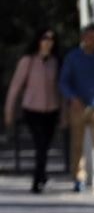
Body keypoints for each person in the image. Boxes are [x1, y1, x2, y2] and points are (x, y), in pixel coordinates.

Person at [59, 24, 94, 193]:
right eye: (91, 37)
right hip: (78, 107)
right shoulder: (73, 58)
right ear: (84, 38)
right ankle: (79, 178)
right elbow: (63, 82)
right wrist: (72, 98)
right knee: (77, 145)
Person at [5, 28, 61, 193]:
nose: (47, 42)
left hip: (51, 109)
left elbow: (60, 89)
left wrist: (64, 113)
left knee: (45, 146)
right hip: (32, 109)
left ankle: (41, 175)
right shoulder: (28, 61)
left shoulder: (55, 62)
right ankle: (37, 181)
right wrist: (9, 111)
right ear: (38, 40)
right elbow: (15, 87)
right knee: (40, 145)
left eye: (51, 39)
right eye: (44, 38)